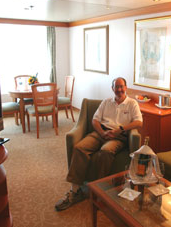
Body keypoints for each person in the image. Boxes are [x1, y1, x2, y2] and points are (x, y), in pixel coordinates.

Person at [55, 77, 143, 211]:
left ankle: (100, 190)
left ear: (126, 88)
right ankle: (75, 191)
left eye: (121, 87)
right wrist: (102, 133)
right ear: (112, 88)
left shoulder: (132, 103)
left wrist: (120, 130)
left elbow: (139, 122)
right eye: (116, 87)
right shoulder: (106, 102)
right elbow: (95, 120)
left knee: (106, 152)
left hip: (118, 137)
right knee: (79, 148)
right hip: (101, 133)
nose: (119, 89)